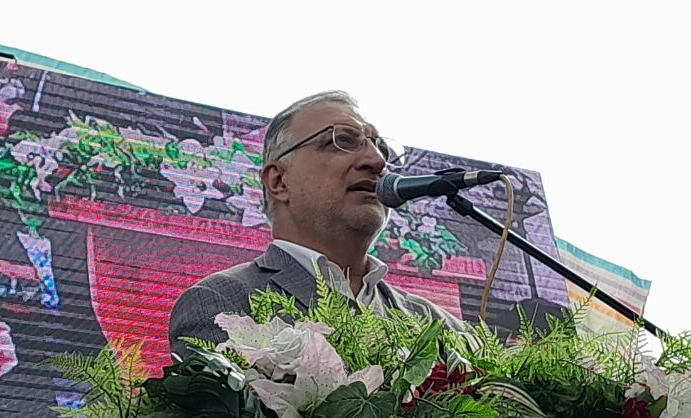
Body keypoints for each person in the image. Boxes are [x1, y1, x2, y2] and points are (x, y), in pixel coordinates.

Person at [169, 90, 468, 358]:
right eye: (342, 140)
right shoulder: (222, 303)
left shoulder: (442, 329)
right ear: (279, 180)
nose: (377, 161)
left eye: (383, 150)